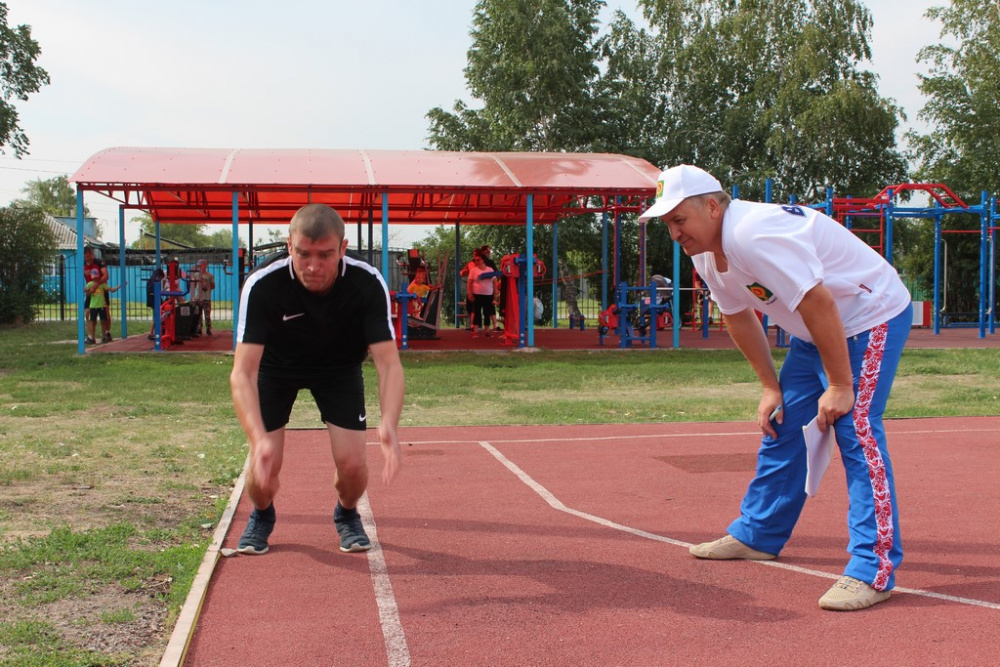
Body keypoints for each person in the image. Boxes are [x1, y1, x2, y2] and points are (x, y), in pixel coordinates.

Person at [639, 164, 912, 611]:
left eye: (679, 220)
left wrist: (840, 384)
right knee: (784, 424)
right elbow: (737, 316)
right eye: (667, 223)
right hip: (816, 330)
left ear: (712, 207)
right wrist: (770, 386)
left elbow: (819, 302)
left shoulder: (752, 234)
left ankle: (873, 569)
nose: (674, 233)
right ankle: (759, 534)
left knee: (856, 429)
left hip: (868, 317)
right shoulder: (705, 251)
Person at [230, 203, 405, 555]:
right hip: (276, 369)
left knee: (353, 465)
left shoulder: (366, 281)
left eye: (325, 255)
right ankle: (262, 514)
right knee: (264, 468)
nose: (313, 266)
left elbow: (389, 364)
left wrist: (389, 423)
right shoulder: (263, 283)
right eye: (303, 254)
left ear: (342, 248)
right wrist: (258, 438)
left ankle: (347, 513)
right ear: (289, 246)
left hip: (339, 369)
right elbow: (243, 372)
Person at [466, 250, 497, 338]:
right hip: (477, 294)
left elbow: (494, 282)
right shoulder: (474, 270)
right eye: (475, 260)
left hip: (488, 294)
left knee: (487, 313)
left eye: (478, 260)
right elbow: (469, 282)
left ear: (483, 260)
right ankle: (475, 331)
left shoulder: (490, 269)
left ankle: (487, 331)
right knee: (476, 312)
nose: (476, 261)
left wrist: (495, 293)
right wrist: (470, 293)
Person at [193, 259, 215, 336]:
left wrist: (207, 287)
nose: (199, 267)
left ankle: (208, 328)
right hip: (198, 297)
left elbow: (213, 286)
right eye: (198, 266)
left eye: (201, 265)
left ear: (205, 265)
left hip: (206, 297)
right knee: (198, 314)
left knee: (207, 314)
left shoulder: (210, 275)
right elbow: (194, 285)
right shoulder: (196, 275)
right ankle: (199, 328)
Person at [84, 279, 107, 345]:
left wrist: (97, 283)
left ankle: (104, 336)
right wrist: (88, 290)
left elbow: (105, 276)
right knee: (89, 317)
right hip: (91, 296)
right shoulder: (89, 283)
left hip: (99, 301)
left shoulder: (101, 283)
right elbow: (86, 292)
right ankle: (91, 337)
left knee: (102, 320)